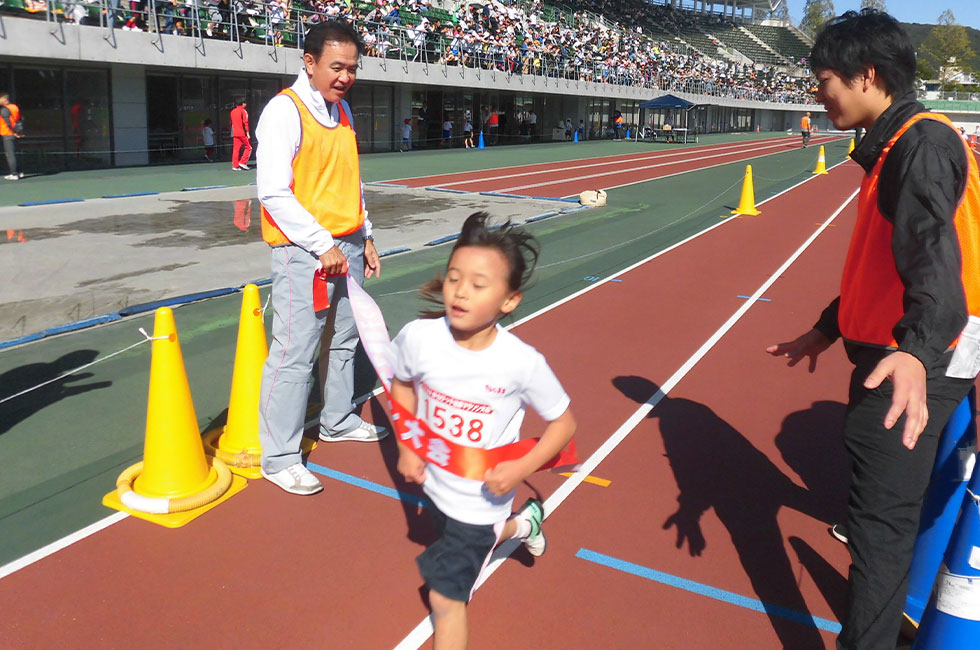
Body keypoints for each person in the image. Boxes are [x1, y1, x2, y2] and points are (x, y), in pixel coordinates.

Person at [766, 10, 980, 649]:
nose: (817, 92)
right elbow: (889, 263)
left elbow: (934, 260)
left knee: (879, 527)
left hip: (919, 355)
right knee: (887, 515)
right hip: (916, 346)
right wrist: (829, 327)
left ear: (867, 75)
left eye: (824, 77)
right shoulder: (903, 144)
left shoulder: (919, 145)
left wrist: (914, 352)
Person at [391, 212, 577, 648]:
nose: (460, 292)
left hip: (483, 502)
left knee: (444, 598)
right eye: (455, 278)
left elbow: (564, 424)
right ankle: (526, 524)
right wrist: (407, 446)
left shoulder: (521, 362)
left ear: (508, 301)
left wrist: (519, 470)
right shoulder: (419, 337)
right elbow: (401, 385)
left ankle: (511, 522)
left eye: (479, 285)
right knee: (457, 539)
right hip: (436, 486)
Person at [256, 20, 387, 496]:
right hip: (304, 253)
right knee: (294, 353)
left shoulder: (344, 110)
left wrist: (365, 235)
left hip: (347, 244)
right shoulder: (284, 112)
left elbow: (349, 181)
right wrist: (321, 243)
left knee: (345, 340)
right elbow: (272, 192)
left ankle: (336, 420)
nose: (345, 76)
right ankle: (280, 455)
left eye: (352, 68)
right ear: (308, 63)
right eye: (336, 67)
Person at [1, 93, 24, 181]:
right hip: (15, 133)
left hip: (8, 133)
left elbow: (8, 122)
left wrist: (14, 132)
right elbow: (19, 120)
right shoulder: (15, 107)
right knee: (15, 153)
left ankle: (14, 174)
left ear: (4, 99)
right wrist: (18, 132)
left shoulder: (5, 109)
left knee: (10, 154)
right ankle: (19, 172)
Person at [230, 98, 251, 170]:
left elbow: (232, 122)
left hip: (235, 133)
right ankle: (243, 162)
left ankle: (235, 166)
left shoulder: (232, 111)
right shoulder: (243, 111)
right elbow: (246, 122)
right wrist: (247, 133)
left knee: (236, 149)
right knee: (249, 147)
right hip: (242, 133)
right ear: (243, 103)